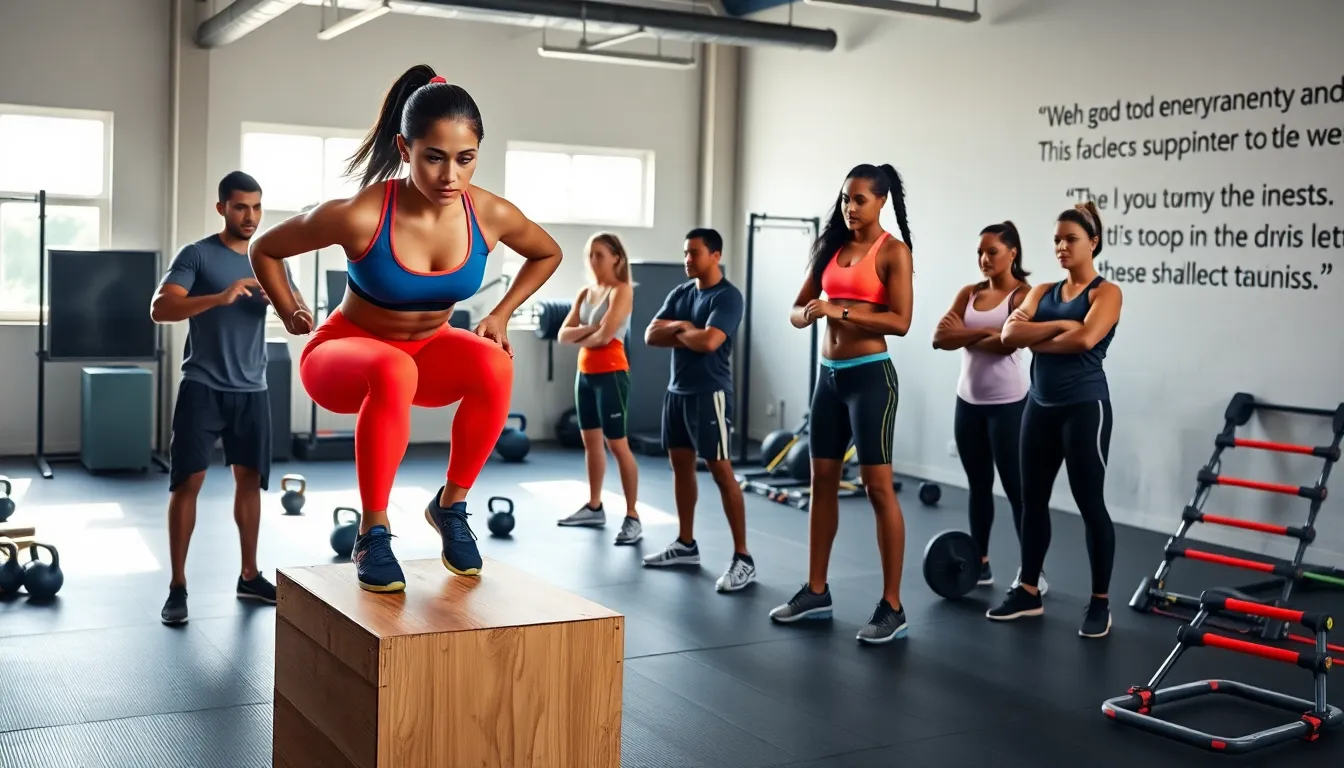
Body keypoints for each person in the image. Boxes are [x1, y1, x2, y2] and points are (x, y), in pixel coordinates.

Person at [248, 65, 562, 594]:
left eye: (465, 159)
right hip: (343, 354)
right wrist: (289, 307)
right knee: (393, 366)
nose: (450, 176)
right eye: (434, 157)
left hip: (427, 354)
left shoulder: (488, 213)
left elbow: (547, 252)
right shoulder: (361, 214)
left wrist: (501, 313)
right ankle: (372, 532)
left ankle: (450, 507)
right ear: (404, 148)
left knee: (494, 362)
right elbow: (265, 248)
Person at [767, 163, 913, 645]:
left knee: (877, 488)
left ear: (881, 201)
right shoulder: (830, 247)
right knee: (821, 483)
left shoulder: (892, 252)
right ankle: (816, 591)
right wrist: (807, 314)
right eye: (846, 198)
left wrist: (839, 309)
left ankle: (892, 606)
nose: (851, 207)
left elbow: (901, 321)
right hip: (828, 379)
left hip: (871, 379)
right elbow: (798, 307)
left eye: (860, 199)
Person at [150, 170, 301, 625]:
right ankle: (177, 586)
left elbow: (299, 314)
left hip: (252, 388)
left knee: (249, 481)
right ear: (222, 208)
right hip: (203, 386)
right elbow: (161, 307)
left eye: (256, 207)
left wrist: (291, 310)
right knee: (187, 483)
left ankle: (249, 576)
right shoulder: (197, 254)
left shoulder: (272, 259)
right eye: (240, 207)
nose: (250, 216)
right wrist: (220, 297)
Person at [986, 201, 1120, 639]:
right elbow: (1009, 334)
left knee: (1090, 504)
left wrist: (1040, 334)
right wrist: (1061, 328)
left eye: (1071, 239)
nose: (1062, 247)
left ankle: (1100, 602)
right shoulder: (1042, 290)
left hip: (1085, 409)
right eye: (1057, 240)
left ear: (1093, 242)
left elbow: (1086, 339)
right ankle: (1028, 590)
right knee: (1032, 502)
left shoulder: (1106, 293)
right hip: (1039, 407)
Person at [931, 221, 1047, 594]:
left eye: (992, 251)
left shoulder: (1023, 296)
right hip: (968, 403)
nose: (984, 258)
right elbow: (940, 337)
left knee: (1017, 490)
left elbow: (1007, 344)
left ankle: (1033, 574)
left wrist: (966, 335)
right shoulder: (969, 293)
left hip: (1008, 406)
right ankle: (980, 563)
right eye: (980, 252)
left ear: (1012, 253)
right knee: (978, 486)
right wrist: (985, 332)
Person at [642, 228, 755, 592]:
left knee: (721, 471)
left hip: (711, 393)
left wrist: (678, 333)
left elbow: (709, 341)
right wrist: (683, 326)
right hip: (677, 392)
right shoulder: (681, 293)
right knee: (680, 468)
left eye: (694, 253)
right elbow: (650, 335)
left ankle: (743, 558)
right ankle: (686, 544)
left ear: (715, 255)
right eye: (685, 253)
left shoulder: (728, 297)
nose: (688, 259)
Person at [555, 232, 643, 545]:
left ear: (616, 258)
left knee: (617, 445)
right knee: (591, 443)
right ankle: (594, 507)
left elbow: (606, 338)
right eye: (590, 254)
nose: (593, 260)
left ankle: (632, 515)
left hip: (612, 373)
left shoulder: (622, 291)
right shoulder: (586, 293)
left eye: (600, 255)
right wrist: (593, 328)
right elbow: (562, 335)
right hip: (585, 373)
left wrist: (586, 333)